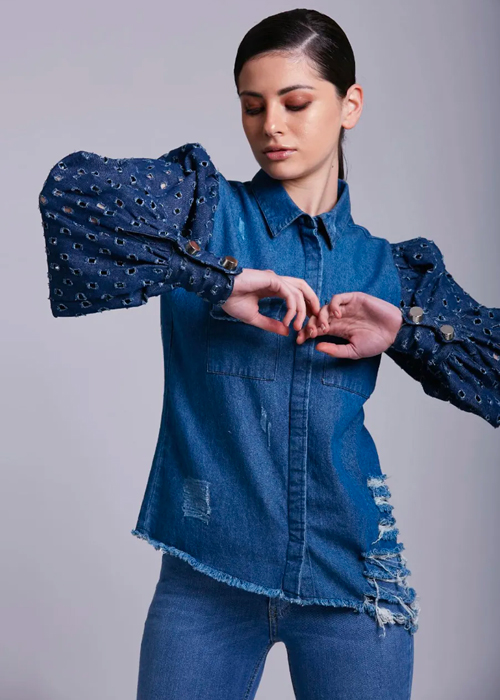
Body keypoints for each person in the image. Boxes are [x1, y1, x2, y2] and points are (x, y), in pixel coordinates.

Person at [38, 8, 499, 700]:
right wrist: (216, 278)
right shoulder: (200, 215)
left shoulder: (391, 270)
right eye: (252, 106)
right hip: (207, 578)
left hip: (355, 582)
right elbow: (70, 199)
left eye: (295, 102)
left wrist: (407, 330)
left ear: (350, 105)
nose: (270, 126)